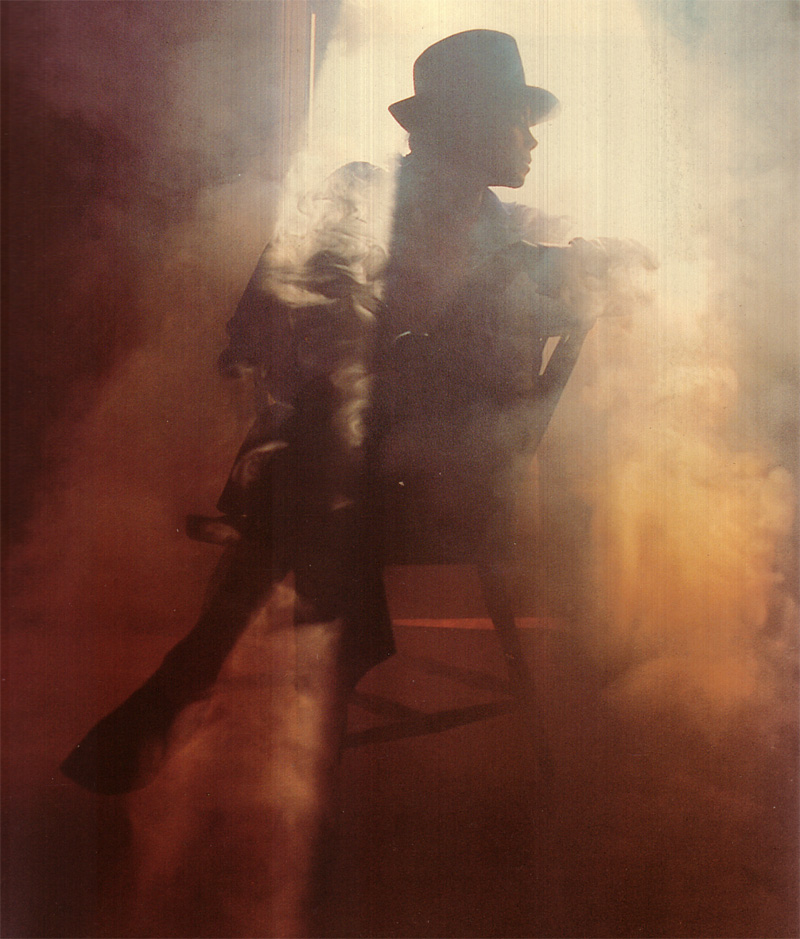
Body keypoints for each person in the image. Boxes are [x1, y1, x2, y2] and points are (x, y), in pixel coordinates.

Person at [62, 29, 627, 800]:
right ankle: (240, 678)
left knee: (318, 468)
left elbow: (485, 363)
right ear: (468, 125)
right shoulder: (368, 198)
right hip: (359, 472)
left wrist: (577, 265)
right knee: (326, 452)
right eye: (515, 119)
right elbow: (261, 326)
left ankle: (195, 674)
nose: (531, 140)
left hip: (439, 486)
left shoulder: (500, 232)